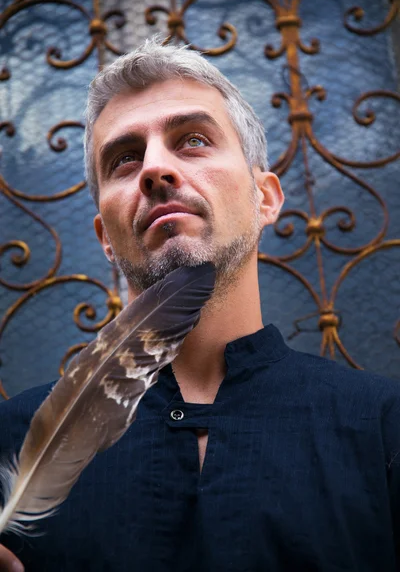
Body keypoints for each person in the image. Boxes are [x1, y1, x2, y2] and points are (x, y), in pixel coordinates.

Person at [0, 38, 400, 572]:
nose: (154, 169)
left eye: (191, 140)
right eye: (124, 159)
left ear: (266, 198)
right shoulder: (14, 442)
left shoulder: (382, 426)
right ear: (104, 236)